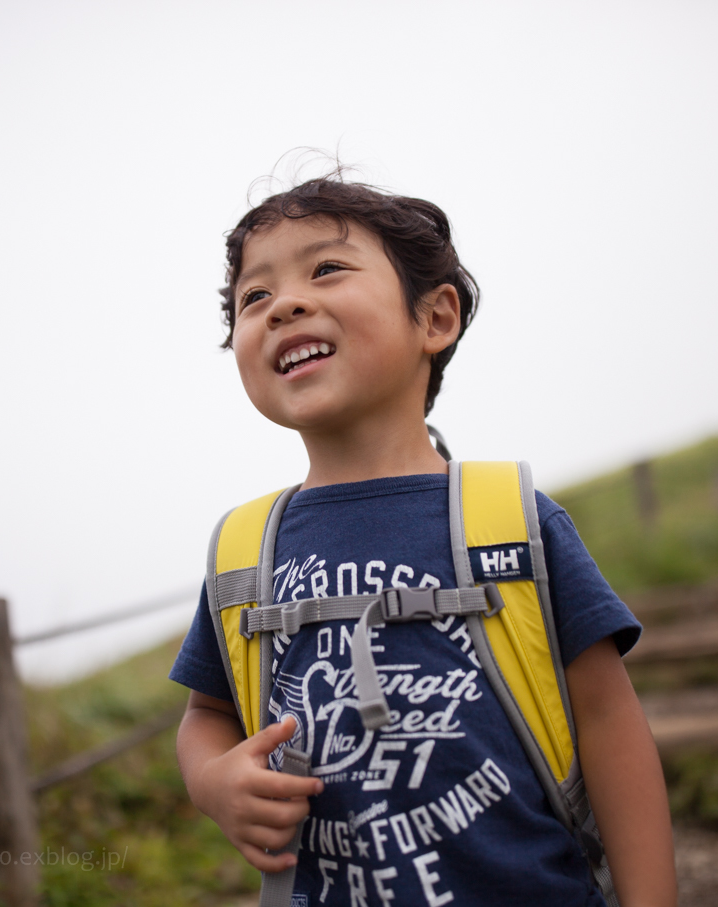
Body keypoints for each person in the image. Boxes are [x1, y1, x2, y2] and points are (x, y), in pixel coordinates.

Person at [170, 175, 677, 907]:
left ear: (435, 317)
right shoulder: (247, 548)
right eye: (255, 297)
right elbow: (207, 715)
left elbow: (607, 719)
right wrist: (212, 778)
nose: (284, 304)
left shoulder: (509, 517)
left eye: (327, 269)